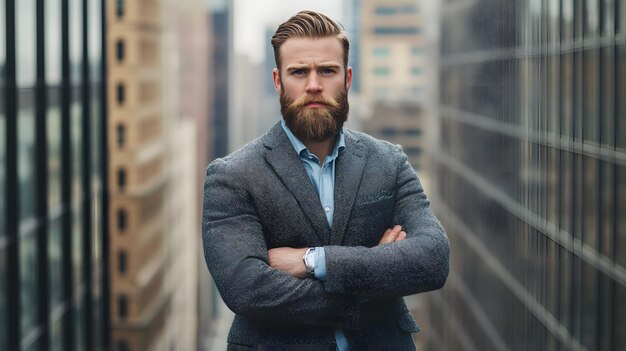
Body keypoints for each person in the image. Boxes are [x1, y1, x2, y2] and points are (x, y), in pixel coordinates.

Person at [202, 10, 449, 351]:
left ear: (347, 78)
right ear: (277, 81)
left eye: (327, 71)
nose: (314, 84)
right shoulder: (233, 176)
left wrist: (312, 261)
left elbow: (432, 260)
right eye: (299, 72)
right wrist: (372, 280)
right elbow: (246, 289)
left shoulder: (389, 162)